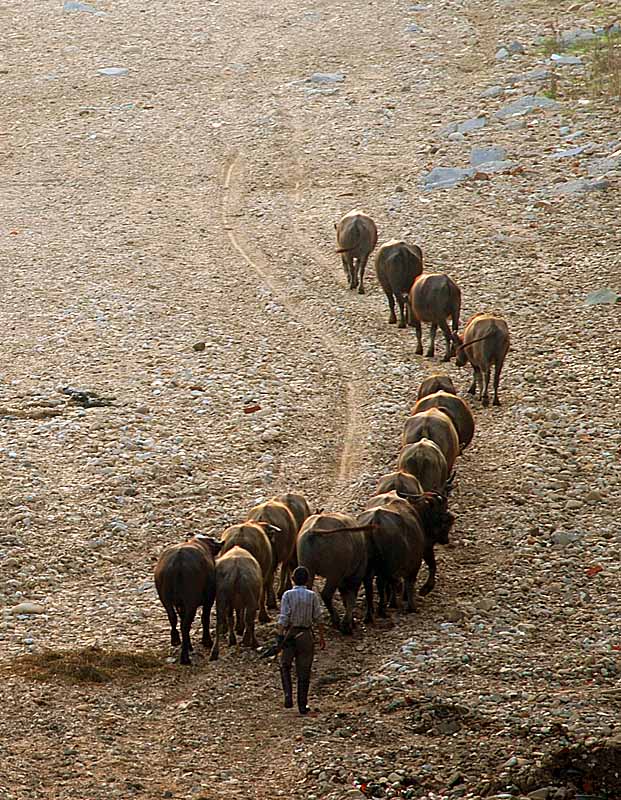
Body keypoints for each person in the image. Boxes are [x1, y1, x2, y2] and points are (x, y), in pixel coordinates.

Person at [277, 566, 325, 714]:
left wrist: (279, 636)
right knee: (304, 671)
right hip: (306, 635)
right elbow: (318, 617)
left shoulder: (287, 595)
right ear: (307, 580)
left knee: (285, 664)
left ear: (292, 579)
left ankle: (287, 696)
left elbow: (284, 617)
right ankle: (302, 705)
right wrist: (321, 637)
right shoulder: (312, 596)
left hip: (290, 634)